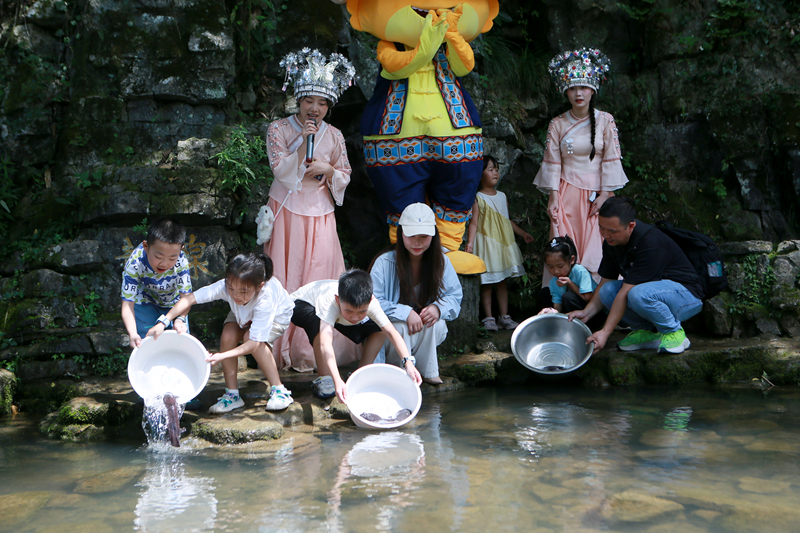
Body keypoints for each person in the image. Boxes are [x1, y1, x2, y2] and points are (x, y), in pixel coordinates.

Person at [263, 49, 358, 373]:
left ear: (328, 106)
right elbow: (280, 170)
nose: (314, 109)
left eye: (321, 103)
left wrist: (327, 170)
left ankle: (314, 350)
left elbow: (344, 172)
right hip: (287, 208)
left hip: (320, 210)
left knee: (319, 275)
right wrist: (304, 143)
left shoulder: (335, 135)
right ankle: (277, 346)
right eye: (309, 101)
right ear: (298, 101)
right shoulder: (278, 129)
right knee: (284, 274)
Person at [147, 253, 295, 412]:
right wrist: (164, 321)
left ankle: (279, 390)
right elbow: (189, 299)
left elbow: (253, 344)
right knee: (228, 335)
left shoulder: (265, 299)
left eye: (243, 291)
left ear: (259, 286)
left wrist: (221, 356)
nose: (236, 295)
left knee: (248, 337)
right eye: (231, 288)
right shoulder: (229, 287)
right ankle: (232, 396)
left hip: (276, 316)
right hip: (242, 311)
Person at [533, 47, 628, 286]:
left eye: (584, 87)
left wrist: (606, 194)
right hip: (566, 194)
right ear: (565, 91)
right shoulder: (557, 124)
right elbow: (553, 163)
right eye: (573, 88)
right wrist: (553, 197)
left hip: (598, 194)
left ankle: (602, 299)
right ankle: (564, 302)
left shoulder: (605, 120)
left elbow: (611, 159)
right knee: (565, 246)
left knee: (600, 245)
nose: (578, 93)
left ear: (593, 90)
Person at [568, 197, 704, 354]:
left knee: (638, 294)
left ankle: (674, 332)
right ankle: (649, 333)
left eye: (612, 231)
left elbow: (626, 292)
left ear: (630, 226)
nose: (605, 235)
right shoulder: (611, 243)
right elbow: (605, 282)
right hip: (652, 294)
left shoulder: (650, 242)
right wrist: (587, 312)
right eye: (601, 228)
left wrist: (605, 332)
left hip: (686, 295)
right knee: (608, 290)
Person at [290, 270, 422, 402]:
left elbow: (391, 332)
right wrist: (337, 380)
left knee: (379, 329)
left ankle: (360, 374)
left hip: (339, 314)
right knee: (318, 324)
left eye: (362, 312)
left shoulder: (371, 304)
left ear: (370, 300)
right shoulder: (329, 302)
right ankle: (324, 379)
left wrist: (408, 363)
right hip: (300, 304)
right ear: (338, 300)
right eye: (349, 311)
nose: (355, 317)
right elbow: (325, 343)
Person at [371, 203, 463, 384]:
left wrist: (438, 308)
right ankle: (400, 371)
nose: (417, 242)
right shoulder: (384, 262)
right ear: (401, 234)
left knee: (436, 323)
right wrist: (404, 313)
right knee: (400, 327)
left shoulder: (441, 262)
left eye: (423, 236)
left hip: (423, 330)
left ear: (433, 235)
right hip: (393, 332)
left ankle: (428, 371)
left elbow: (454, 297)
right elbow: (372, 303)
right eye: (411, 236)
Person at [466, 155, 533, 331]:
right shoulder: (477, 197)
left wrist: (523, 233)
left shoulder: (502, 196)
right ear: (480, 175)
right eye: (490, 169)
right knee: (487, 281)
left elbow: (507, 220)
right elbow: (473, 222)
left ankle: (505, 317)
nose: (495, 172)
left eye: (496, 169)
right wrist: (470, 243)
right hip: (487, 244)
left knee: (502, 280)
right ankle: (488, 318)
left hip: (502, 244)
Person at [121, 217, 192, 349]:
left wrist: (180, 318)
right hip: (144, 303)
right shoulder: (135, 263)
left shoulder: (181, 261)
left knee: (181, 344)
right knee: (146, 344)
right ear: (146, 246)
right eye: (158, 257)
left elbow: (186, 298)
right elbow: (127, 304)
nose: (164, 264)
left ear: (181, 249)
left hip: (175, 304)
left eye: (172, 258)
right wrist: (132, 333)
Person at [544, 235, 597, 313]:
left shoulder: (579, 271)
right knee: (544, 293)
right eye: (551, 267)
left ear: (572, 260)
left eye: (560, 266)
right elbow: (557, 305)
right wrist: (554, 312)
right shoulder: (554, 282)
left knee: (568, 297)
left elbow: (588, 297)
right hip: (570, 311)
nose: (556, 271)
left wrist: (570, 283)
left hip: (592, 311)